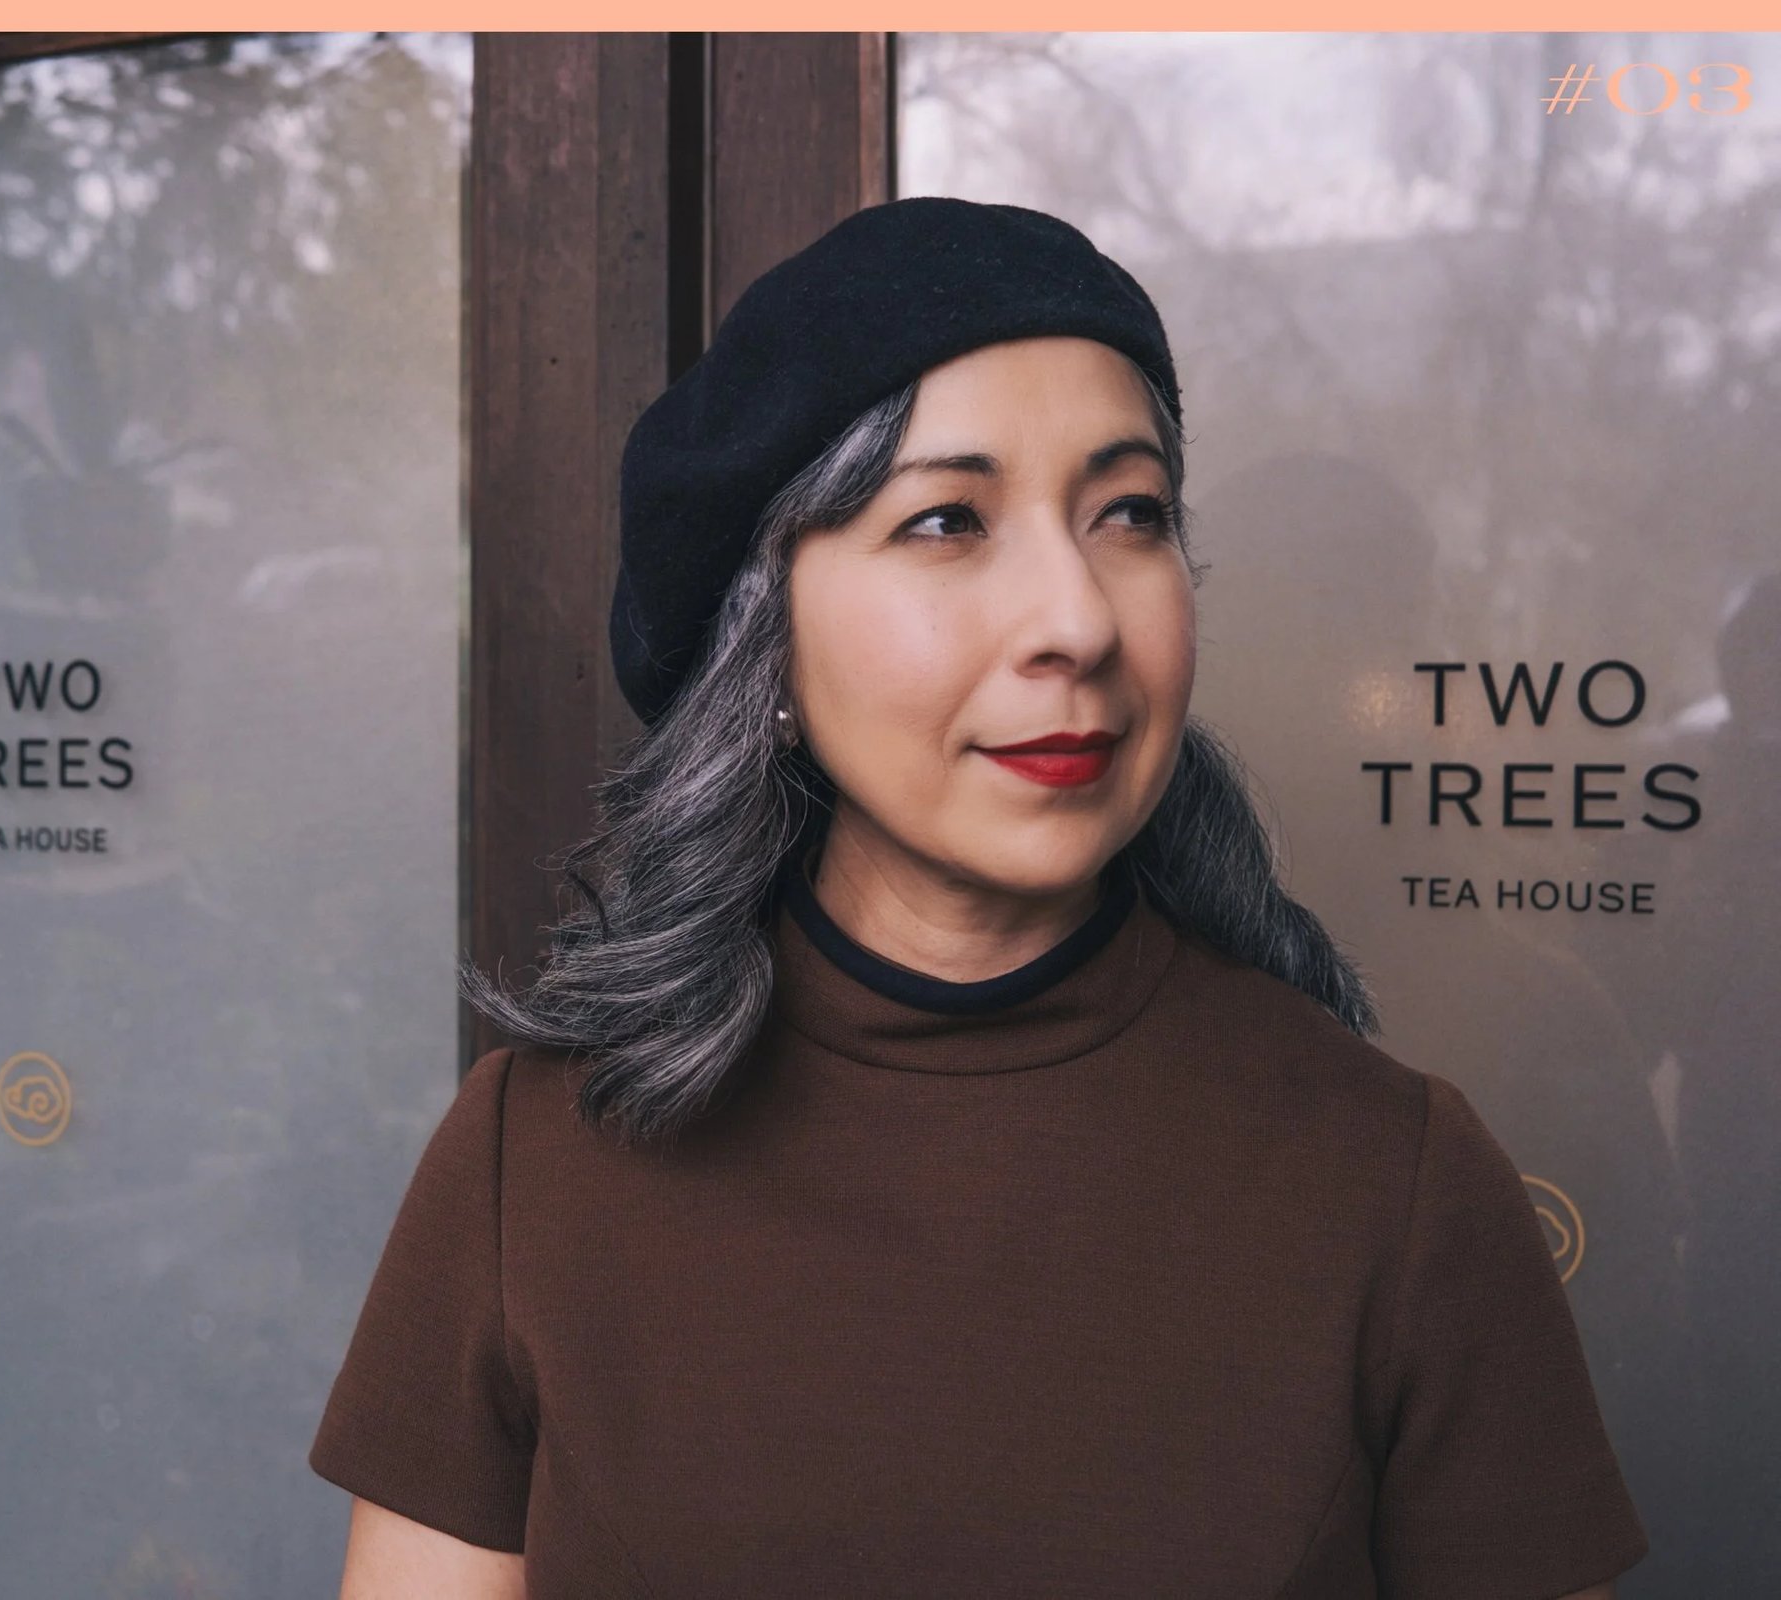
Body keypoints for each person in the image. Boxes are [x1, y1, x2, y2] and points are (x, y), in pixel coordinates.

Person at [307, 197, 1649, 1599]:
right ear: (759, 638)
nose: (1075, 617)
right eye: (947, 520)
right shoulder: (535, 1165)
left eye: (1129, 514)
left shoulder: (1396, 1178)